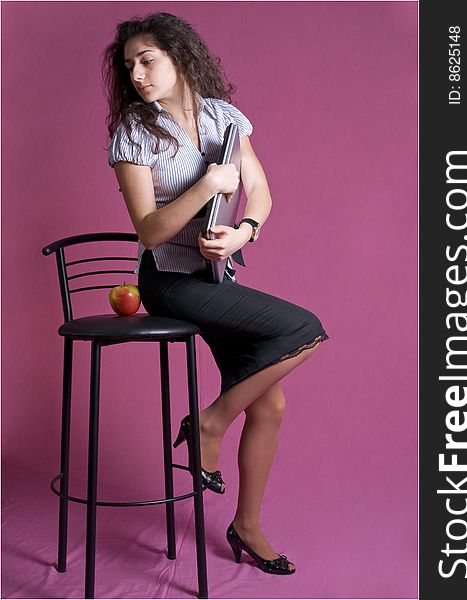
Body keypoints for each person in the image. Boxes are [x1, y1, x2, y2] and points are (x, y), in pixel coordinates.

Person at [103, 12, 329, 576]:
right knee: (302, 327)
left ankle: (246, 525)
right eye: (129, 65)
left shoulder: (225, 118)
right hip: (169, 282)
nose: (137, 73)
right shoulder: (133, 130)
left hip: (215, 278)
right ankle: (209, 423)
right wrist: (206, 183)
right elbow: (149, 230)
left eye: (148, 59)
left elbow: (259, 188)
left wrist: (243, 231)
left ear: (179, 57)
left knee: (271, 403)